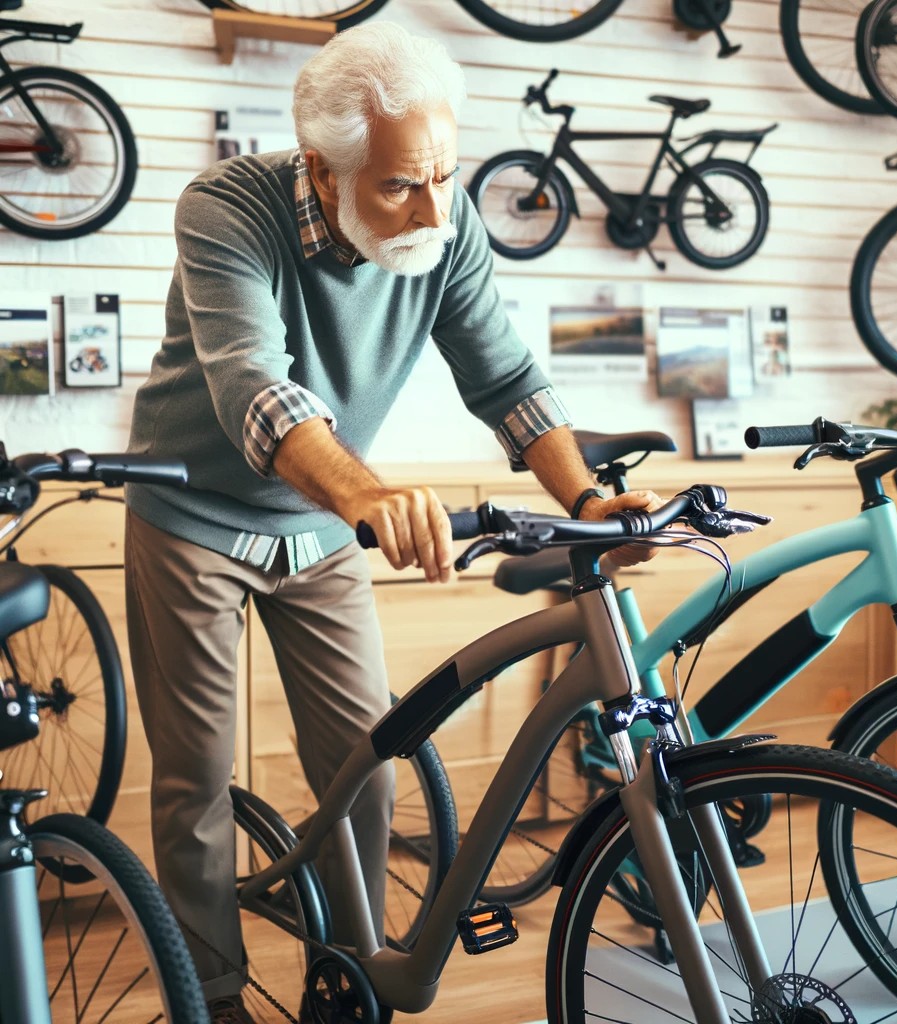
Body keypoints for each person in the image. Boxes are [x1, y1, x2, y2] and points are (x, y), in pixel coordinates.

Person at [123, 21, 659, 1024]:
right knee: (193, 783)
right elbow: (256, 390)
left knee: (367, 762)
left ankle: (345, 968)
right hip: (194, 517)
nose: (431, 209)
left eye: (444, 177)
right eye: (400, 185)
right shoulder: (226, 209)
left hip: (319, 530)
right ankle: (217, 996)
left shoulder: (444, 225)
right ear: (326, 171)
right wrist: (367, 496)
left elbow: (507, 380)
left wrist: (587, 500)